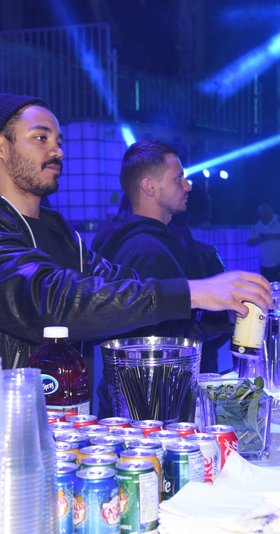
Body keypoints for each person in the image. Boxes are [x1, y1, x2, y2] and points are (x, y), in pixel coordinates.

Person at [0, 93, 271, 366]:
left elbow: (121, 291)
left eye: (58, 140)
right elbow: (50, 300)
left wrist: (224, 307)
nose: (57, 150)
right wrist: (192, 292)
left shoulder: (62, 234)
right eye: (41, 137)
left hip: (62, 421)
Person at [90, 140, 232, 373]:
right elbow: (158, 352)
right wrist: (223, 317)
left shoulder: (125, 239)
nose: (188, 186)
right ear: (150, 187)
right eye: (178, 178)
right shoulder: (149, 252)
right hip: (153, 392)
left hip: (128, 388)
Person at [247, 203, 280, 284]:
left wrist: (272, 236)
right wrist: (259, 239)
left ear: (270, 212)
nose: (264, 217)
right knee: (268, 287)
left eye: (266, 214)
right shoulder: (257, 225)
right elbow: (249, 242)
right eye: (262, 215)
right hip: (265, 265)